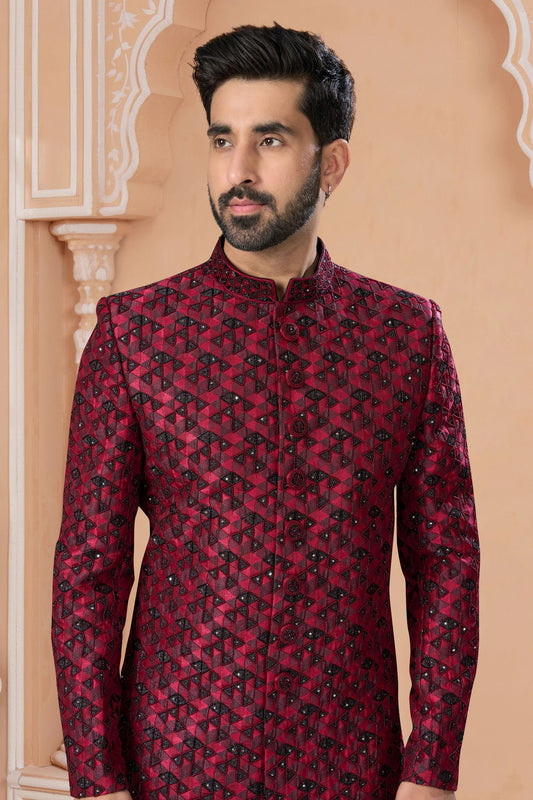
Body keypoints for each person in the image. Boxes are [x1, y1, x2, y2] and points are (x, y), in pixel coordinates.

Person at [51, 23, 479, 800]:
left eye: (270, 141)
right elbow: (89, 570)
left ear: (331, 163)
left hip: (351, 767)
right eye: (222, 140)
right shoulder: (133, 335)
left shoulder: (404, 336)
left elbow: (444, 560)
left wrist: (430, 767)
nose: (238, 171)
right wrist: (97, 778)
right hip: (172, 766)